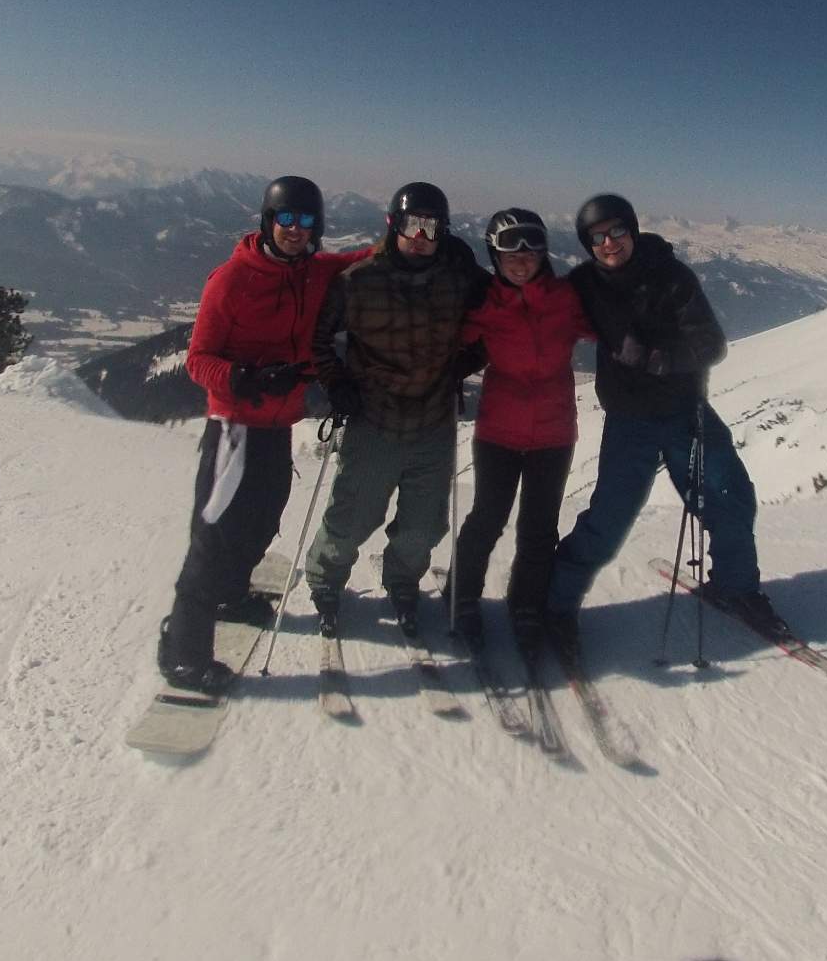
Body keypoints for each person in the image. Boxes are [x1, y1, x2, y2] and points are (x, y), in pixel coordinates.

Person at [155, 176, 369, 694]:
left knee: (265, 514)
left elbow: (366, 258)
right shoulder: (230, 280)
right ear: (268, 221)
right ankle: (182, 652)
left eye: (306, 221)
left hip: (278, 424)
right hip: (234, 426)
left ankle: (231, 594)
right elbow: (198, 360)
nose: (295, 230)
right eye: (286, 220)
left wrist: (416, 234)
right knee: (214, 534)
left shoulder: (315, 271)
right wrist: (242, 378)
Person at [544, 193, 771, 646]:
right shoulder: (586, 283)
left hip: (686, 413)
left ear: (632, 230)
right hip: (630, 421)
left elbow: (711, 344)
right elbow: (541, 307)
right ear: (588, 245)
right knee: (609, 520)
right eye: (597, 238)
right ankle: (554, 603)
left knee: (729, 497)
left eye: (617, 231)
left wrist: (657, 359)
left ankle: (737, 587)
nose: (609, 243)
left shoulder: (671, 276)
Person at [304, 181, 488, 639]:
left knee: (424, 524)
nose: (420, 236)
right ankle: (326, 580)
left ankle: (403, 580)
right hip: (375, 418)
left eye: (432, 227)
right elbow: (319, 339)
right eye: (412, 224)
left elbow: (497, 319)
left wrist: (468, 361)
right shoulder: (359, 280)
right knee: (353, 515)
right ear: (393, 224)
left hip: (433, 421)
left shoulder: (458, 278)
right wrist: (336, 382)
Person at [448, 208, 595, 649]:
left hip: (554, 433)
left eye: (531, 249)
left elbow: (610, 325)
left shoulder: (566, 298)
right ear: (494, 255)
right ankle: (462, 595)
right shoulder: (485, 303)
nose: (521, 259)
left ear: (544, 252)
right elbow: (444, 339)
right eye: (509, 251)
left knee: (539, 526)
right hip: (499, 431)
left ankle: (527, 602)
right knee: (488, 517)